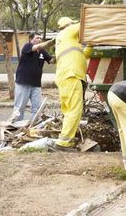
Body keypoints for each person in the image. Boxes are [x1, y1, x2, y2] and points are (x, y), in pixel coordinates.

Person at [54, 16, 93, 151]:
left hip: (66, 77)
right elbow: (85, 23)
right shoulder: (67, 32)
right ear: (69, 25)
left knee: (68, 110)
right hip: (71, 75)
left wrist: (91, 44)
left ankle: (66, 139)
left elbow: (84, 54)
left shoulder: (67, 41)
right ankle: (64, 143)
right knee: (74, 110)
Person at [8, 32, 54, 122]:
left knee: (37, 108)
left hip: (36, 84)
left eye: (40, 38)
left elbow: (52, 61)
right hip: (23, 83)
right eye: (37, 38)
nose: (39, 40)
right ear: (30, 39)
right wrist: (51, 42)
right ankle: (16, 126)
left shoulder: (42, 52)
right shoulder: (27, 46)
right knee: (20, 108)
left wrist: (62, 52)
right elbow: (36, 47)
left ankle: (33, 126)